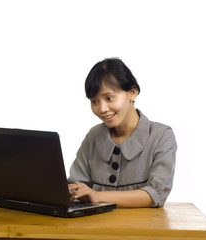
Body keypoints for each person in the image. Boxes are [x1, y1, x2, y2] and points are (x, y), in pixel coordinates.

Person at [67, 57, 177, 208]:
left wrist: (97, 195)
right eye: (94, 101)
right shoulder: (94, 136)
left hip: (144, 228)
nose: (102, 109)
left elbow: (155, 194)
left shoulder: (161, 136)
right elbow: (75, 185)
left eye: (109, 98)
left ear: (132, 93)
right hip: (94, 227)